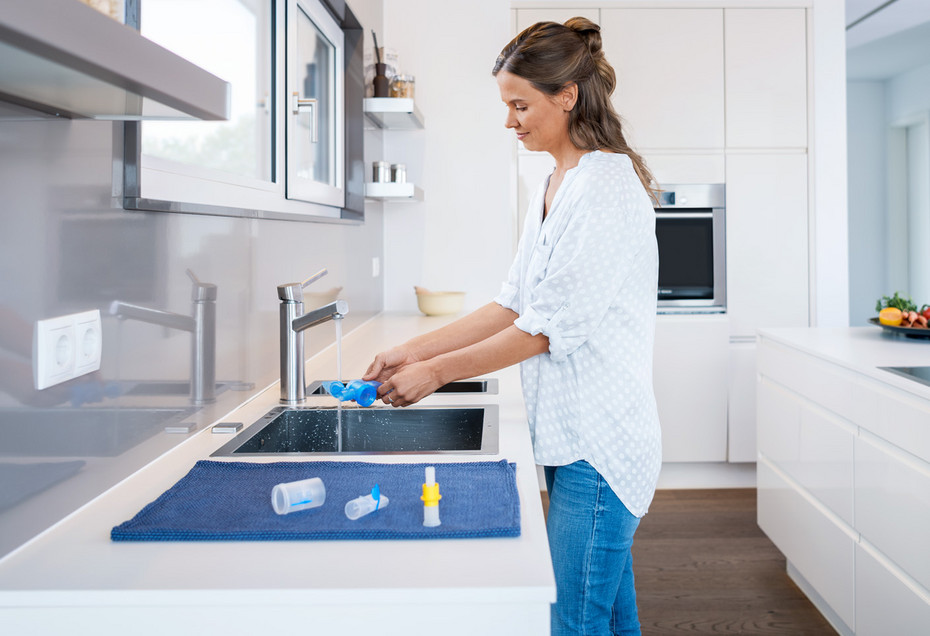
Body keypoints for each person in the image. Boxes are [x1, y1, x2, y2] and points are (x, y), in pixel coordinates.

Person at [363, 17, 662, 635]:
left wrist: (435, 373)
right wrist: (407, 351)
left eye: (520, 104)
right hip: (571, 436)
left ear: (567, 96)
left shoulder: (606, 188)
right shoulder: (556, 183)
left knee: (572, 623)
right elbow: (512, 305)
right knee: (606, 616)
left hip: (601, 447)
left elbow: (545, 330)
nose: (511, 121)